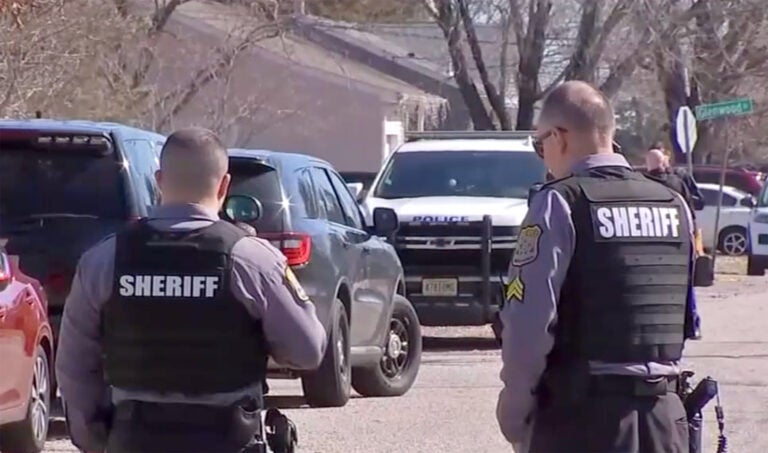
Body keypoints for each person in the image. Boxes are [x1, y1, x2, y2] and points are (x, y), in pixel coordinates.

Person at [56, 127, 326, 453]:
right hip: (229, 438)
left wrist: (98, 439)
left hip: (134, 439)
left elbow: (74, 366)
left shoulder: (104, 260)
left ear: (159, 179)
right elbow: (307, 351)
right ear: (225, 184)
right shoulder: (251, 259)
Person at [496, 81, 692, 453]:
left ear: (558, 138)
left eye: (540, 145)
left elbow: (528, 324)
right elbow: (680, 316)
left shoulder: (558, 203)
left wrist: (515, 413)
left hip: (583, 418)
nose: (542, 156)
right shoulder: (673, 203)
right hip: (665, 418)